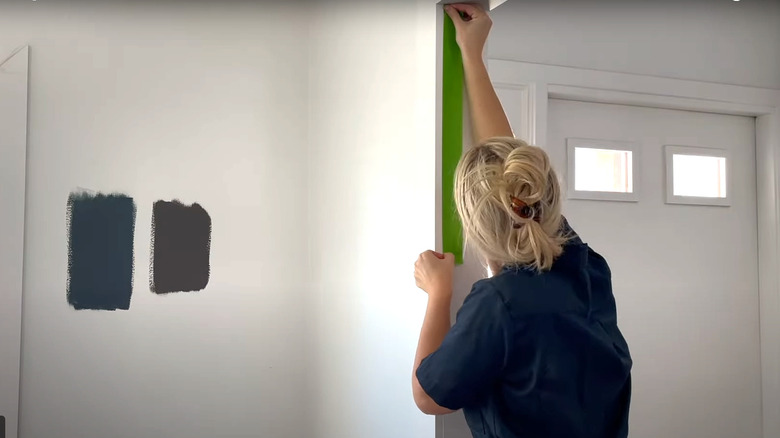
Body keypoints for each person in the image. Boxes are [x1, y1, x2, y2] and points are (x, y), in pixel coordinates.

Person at [411, 4, 633, 438]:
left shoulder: (499, 302)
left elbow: (428, 396)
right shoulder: (584, 267)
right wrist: (472, 57)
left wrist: (438, 293)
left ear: (473, 222)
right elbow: (506, 158)